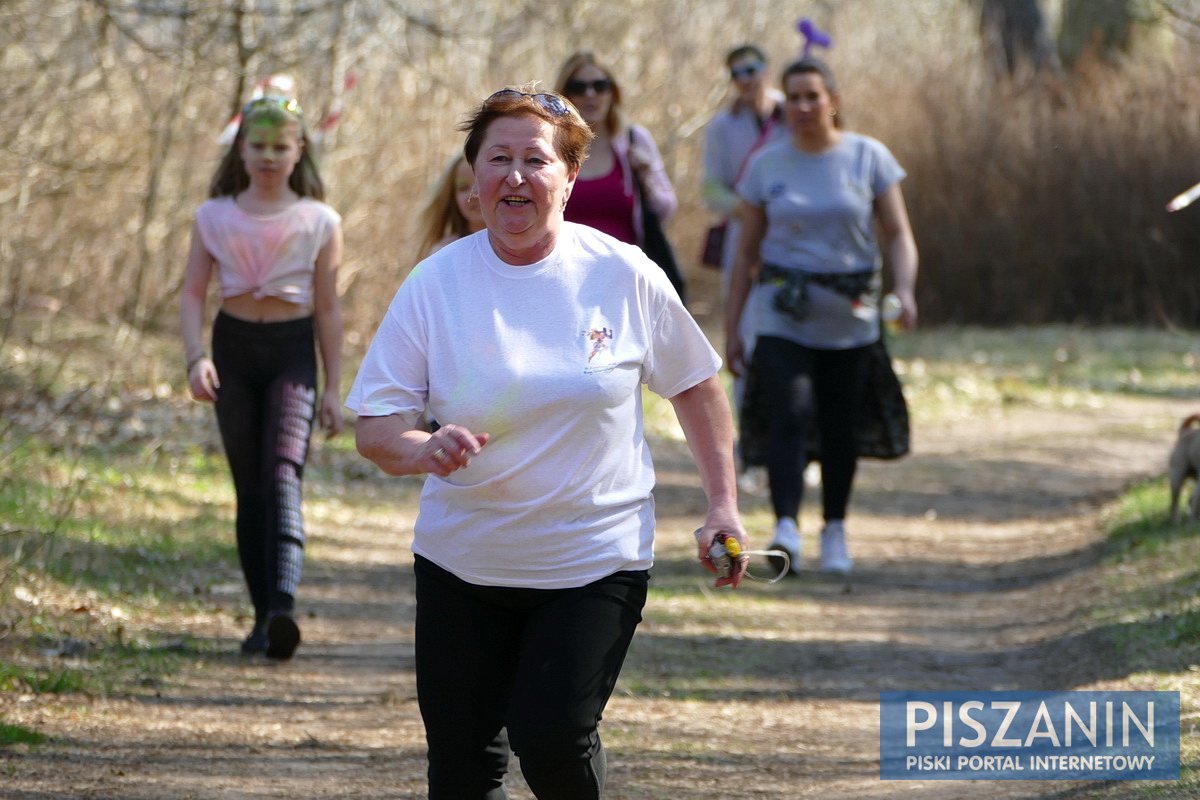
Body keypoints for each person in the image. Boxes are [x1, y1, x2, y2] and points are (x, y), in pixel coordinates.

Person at [347, 86, 745, 799]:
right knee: (463, 763)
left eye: (537, 160)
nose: (516, 175)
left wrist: (723, 507)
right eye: (498, 158)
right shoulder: (435, 285)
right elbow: (375, 428)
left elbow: (696, 386)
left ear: (569, 177)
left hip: (593, 557)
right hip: (463, 560)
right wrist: (421, 450)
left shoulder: (621, 274)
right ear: (473, 177)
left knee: (553, 738)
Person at [724, 57, 918, 576]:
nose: (804, 107)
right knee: (788, 413)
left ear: (833, 99)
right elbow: (745, 255)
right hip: (782, 313)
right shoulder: (767, 165)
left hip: (851, 318)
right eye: (794, 98)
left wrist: (904, 288)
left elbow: (898, 234)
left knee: (840, 426)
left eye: (813, 96)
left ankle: (835, 528)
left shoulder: (868, 157)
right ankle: (786, 526)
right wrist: (733, 328)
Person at [180, 94, 344, 660]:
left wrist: (334, 388)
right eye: (259, 145)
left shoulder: (321, 220)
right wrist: (194, 356)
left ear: (300, 150)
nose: (270, 156)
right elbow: (193, 292)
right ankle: (260, 618)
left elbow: (328, 308)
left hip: (293, 351)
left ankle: (283, 607)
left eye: (281, 145)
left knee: (282, 473)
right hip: (234, 349)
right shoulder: (213, 216)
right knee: (249, 487)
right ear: (241, 149)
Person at [553, 51, 686, 302]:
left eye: (600, 86)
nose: (591, 95)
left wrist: (646, 177)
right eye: (579, 87)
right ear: (566, 96)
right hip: (564, 283)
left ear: (612, 93)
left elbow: (666, 209)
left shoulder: (635, 140)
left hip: (625, 284)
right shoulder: (551, 147)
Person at [415, 154, 486, 261]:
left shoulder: (517, 249)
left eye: (483, 184)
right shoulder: (443, 252)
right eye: (463, 188)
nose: (474, 194)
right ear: (452, 197)